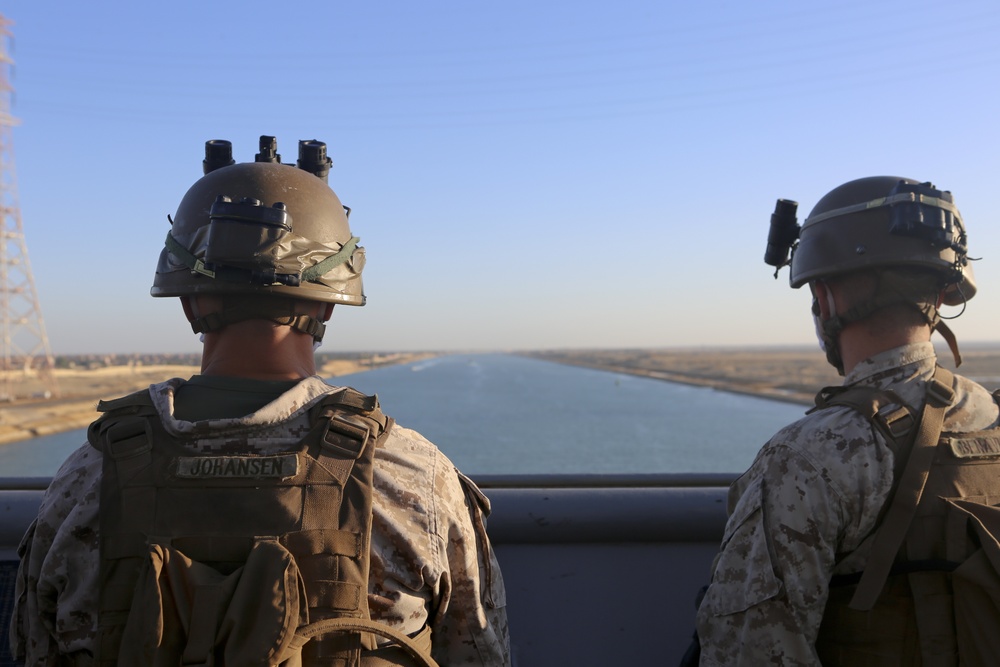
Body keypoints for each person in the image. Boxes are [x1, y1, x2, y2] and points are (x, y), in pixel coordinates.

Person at [10, 136, 511, 666]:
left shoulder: (87, 475)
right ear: (328, 309)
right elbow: (480, 653)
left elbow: (32, 647)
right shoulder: (412, 475)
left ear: (187, 303)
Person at [694, 176, 1000, 665]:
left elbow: (751, 652)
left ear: (827, 297)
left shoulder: (810, 456)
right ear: (941, 296)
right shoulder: (991, 419)